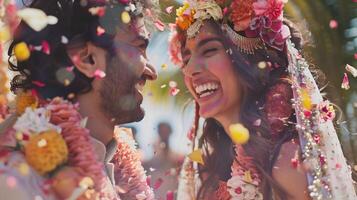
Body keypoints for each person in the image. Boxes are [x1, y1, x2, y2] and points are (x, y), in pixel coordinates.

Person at [168, 0, 357, 199]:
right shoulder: (204, 172)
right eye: (186, 58)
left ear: (250, 60)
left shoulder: (288, 164)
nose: (189, 70)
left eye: (209, 50)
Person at [0, 0, 157, 199]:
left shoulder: (120, 171)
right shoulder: (16, 177)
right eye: (140, 47)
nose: (153, 73)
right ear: (87, 59)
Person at [143, 122, 183, 199]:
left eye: (166, 131)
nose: (164, 134)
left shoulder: (177, 157)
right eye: (162, 131)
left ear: (170, 132)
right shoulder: (151, 160)